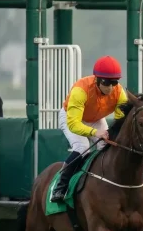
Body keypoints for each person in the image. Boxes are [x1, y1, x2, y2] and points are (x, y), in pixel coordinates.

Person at [50, 56, 128, 203]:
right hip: (72, 118)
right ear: (96, 79)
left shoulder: (119, 93)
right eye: (106, 82)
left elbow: (120, 121)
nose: (110, 88)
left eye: (114, 82)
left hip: (96, 119)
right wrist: (95, 132)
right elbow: (74, 124)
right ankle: (60, 186)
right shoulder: (81, 89)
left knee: (106, 146)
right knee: (82, 147)